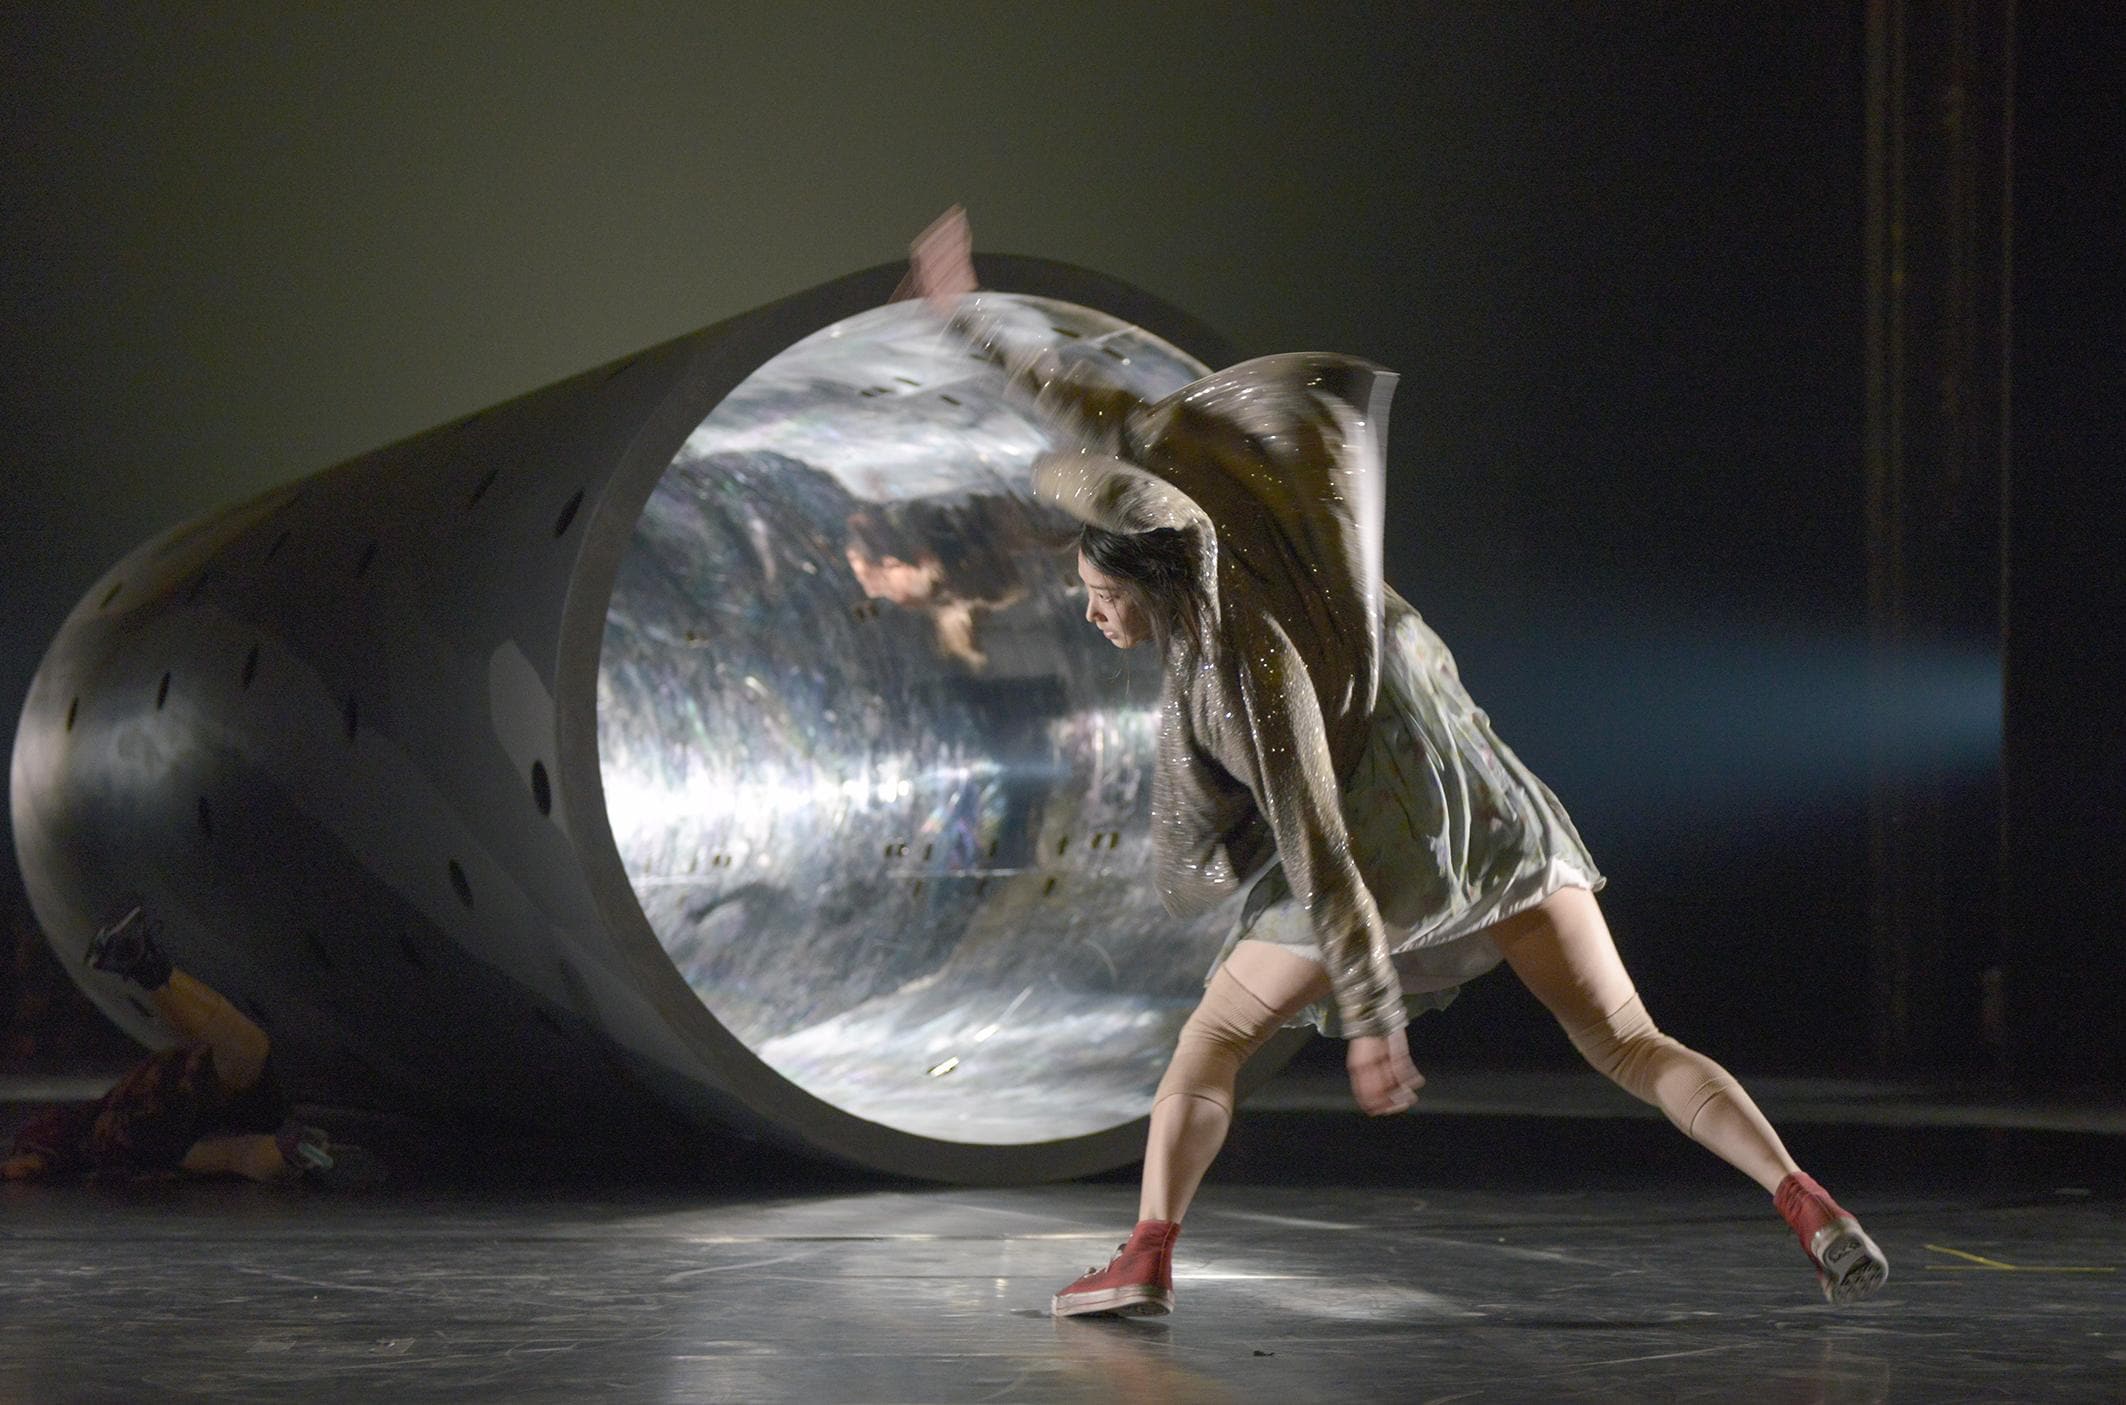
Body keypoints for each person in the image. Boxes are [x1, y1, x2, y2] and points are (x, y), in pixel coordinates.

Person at [898, 208, 1889, 1315]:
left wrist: (1369, 1018)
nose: (1090, 617)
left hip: (1384, 869)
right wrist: (973, 324)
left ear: (1160, 587)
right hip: (1503, 831)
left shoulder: (1237, 671)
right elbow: (1097, 403)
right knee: (1625, 1038)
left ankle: (1144, 1252)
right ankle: (1803, 1197)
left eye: (1100, 599)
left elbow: (1320, 848)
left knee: (1212, 1039)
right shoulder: (1286, 542)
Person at [2, 907, 380, 1188]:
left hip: (162, 1110)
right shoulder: (82, 1138)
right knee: (237, 1145)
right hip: (158, 1137)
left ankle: (142, 963)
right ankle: (309, 1157)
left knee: (247, 1051)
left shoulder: (69, 1129)